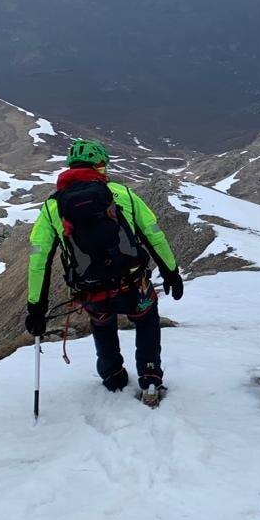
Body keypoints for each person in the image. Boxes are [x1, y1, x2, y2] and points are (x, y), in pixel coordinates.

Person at [25, 138, 183, 397]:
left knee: (102, 325)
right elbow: (154, 235)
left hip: (92, 291)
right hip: (132, 284)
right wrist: (171, 272)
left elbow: (38, 261)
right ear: (99, 166)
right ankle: (150, 377)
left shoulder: (53, 207)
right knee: (146, 321)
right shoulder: (122, 194)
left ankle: (113, 376)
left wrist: (36, 308)